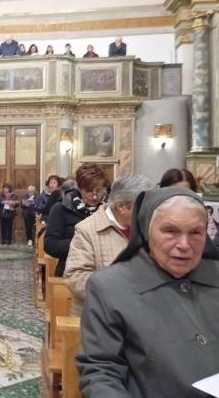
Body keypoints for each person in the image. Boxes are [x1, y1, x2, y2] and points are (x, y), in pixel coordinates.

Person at [76, 187, 219, 398]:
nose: (184, 245)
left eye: (196, 232)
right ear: (146, 231)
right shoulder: (110, 287)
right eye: (170, 231)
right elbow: (101, 373)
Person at [64, 173, 155, 315]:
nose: (149, 212)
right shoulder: (88, 230)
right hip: (102, 318)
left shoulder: (151, 228)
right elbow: (76, 278)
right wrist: (125, 288)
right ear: (121, 206)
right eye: (144, 207)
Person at [45, 163, 108, 277]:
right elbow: (50, 245)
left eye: (99, 191)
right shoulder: (61, 208)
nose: (94, 197)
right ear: (79, 187)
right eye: (89, 191)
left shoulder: (108, 210)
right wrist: (84, 243)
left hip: (104, 274)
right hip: (71, 273)